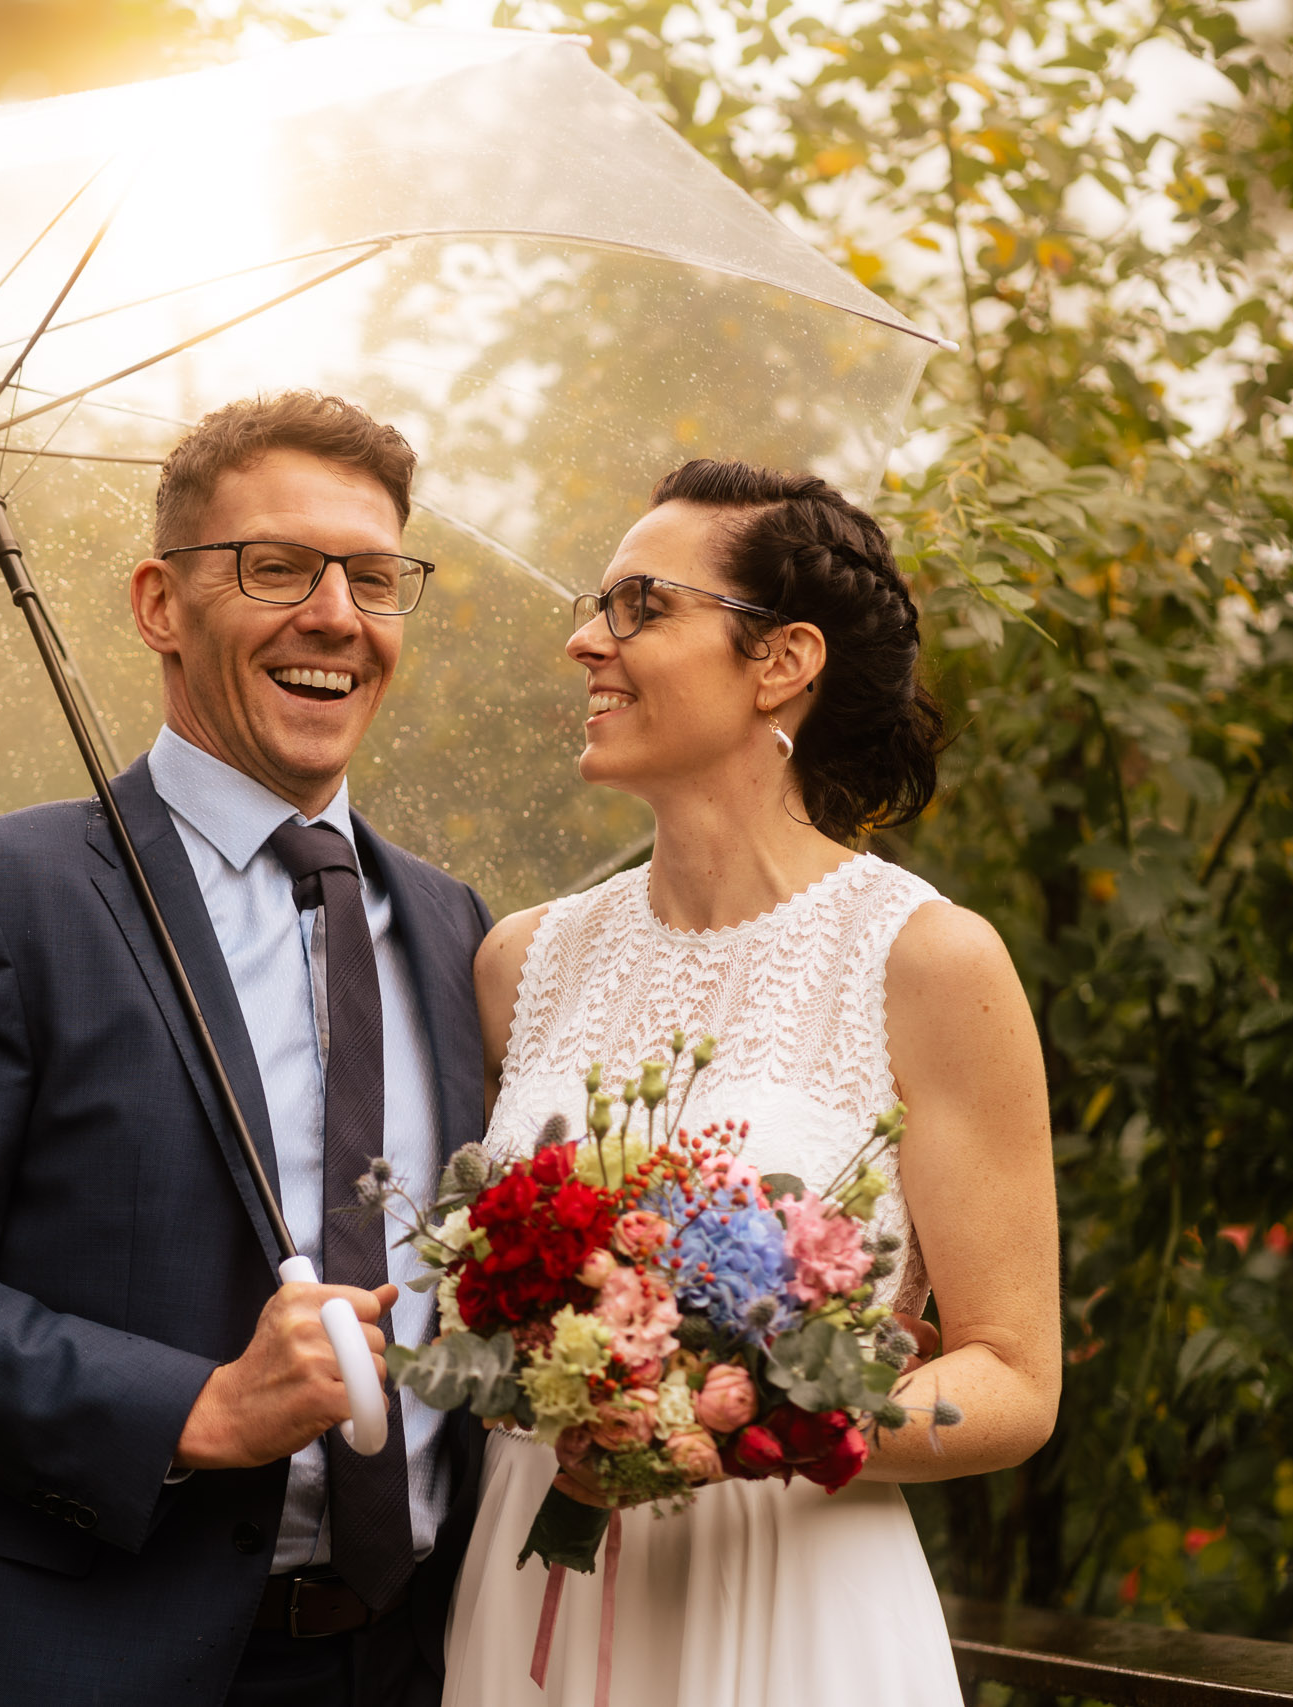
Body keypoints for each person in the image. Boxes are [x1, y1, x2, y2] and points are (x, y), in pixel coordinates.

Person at [0, 392, 495, 1707]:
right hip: (85, 1667)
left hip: (412, 1663)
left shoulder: (455, 927)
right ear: (161, 602)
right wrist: (192, 1406)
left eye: (375, 577)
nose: (336, 615)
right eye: (277, 566)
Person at [441, 462, 1061, 1705]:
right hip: (533, 1588)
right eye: (596, 605)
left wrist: (749, 1423)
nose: (586, 641)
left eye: (639, 605)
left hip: (789, 1598)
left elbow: (1011, 1379)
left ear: (781, 661)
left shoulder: (927, 960)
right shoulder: (523, 961)